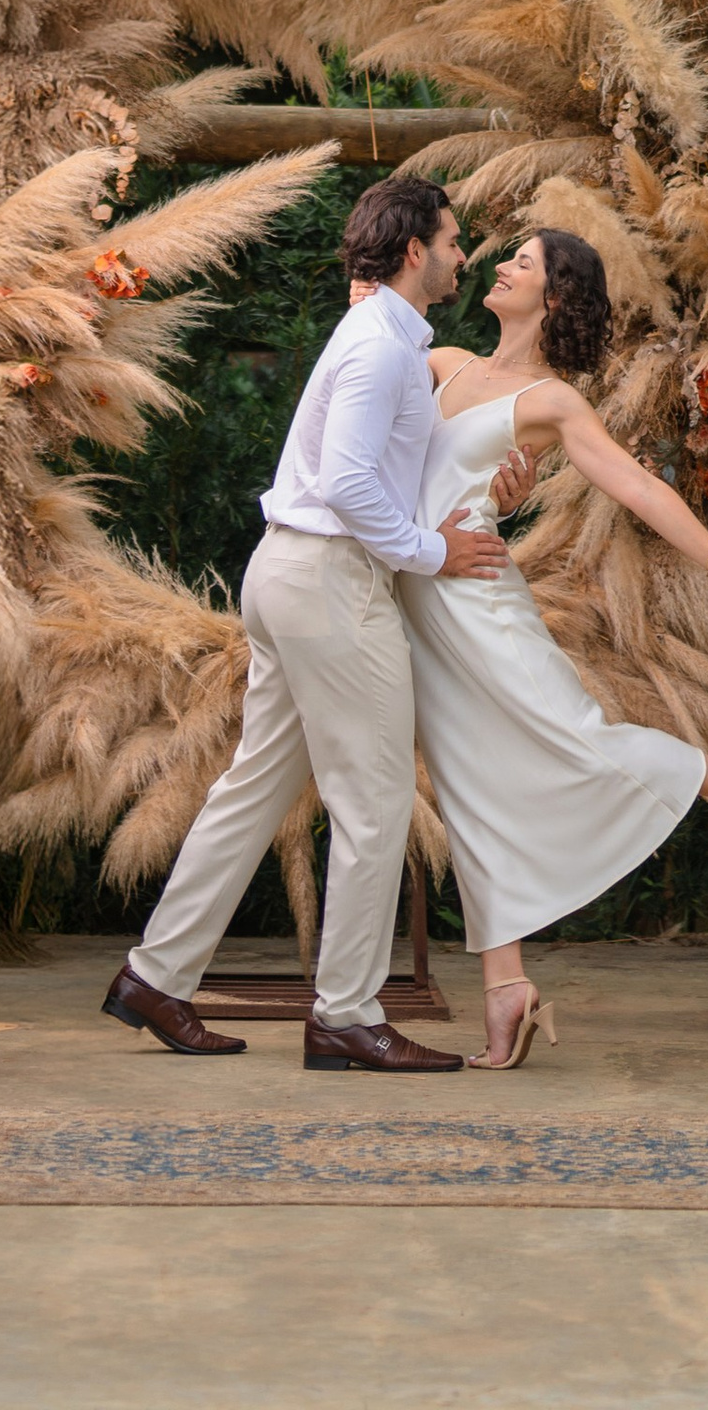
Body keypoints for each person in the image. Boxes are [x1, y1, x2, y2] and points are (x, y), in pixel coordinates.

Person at [103, 172, 517, 1074]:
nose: (460, 255)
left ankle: (156, 976)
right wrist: (432, 552)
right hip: (331, 583)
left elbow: (383, 467)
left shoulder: (379, 336)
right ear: (415, 251)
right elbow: (348, 483)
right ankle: (346, 1015)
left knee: (254, 788)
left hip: (292, 573)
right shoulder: (378, 347)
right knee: (372, 804)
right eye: (451, 241)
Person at [405, 224, 708, 1071]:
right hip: (416, 598)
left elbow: (636, 485)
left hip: (480, 602)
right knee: (471, 787)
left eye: (520, 262)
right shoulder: (436, 362)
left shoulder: (553, 403)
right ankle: (507, 991)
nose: (499, 267)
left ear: (553, 296)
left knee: (581, 743)